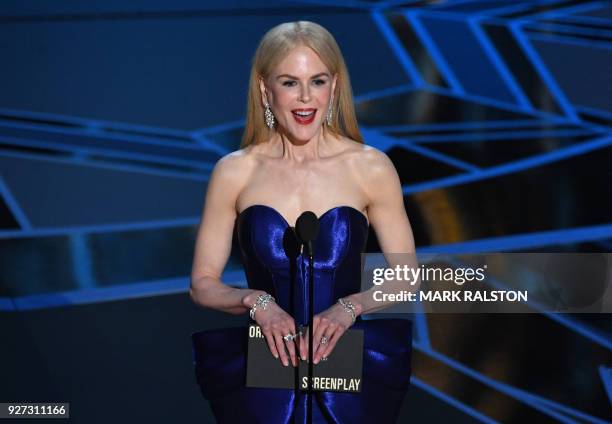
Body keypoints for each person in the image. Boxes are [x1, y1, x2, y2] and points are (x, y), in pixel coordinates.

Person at [190, 21, 417, 423]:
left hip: (347, 371)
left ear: (335, 85)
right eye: (290, 83)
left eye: (317, 81)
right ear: (265, 89)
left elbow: (406, 276)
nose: (306, 97)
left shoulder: (371, 167)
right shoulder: (234, 172)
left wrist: (349, 307)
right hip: (264, 371)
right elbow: (203, 283)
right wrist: (255, 302)